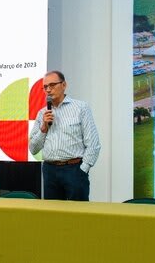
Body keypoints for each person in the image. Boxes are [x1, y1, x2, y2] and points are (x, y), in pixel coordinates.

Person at [29, 70, 101, 201]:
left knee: (78, 215)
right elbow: (33, 148)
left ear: (64, 85)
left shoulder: (81, 108)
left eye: (52, 85)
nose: (48, 90)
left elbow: (93, 144)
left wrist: (83, 169)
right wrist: (43, 128)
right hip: (49, 171)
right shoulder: (42, 113)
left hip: (74, 169)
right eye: (45, 87)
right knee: (53, 217)